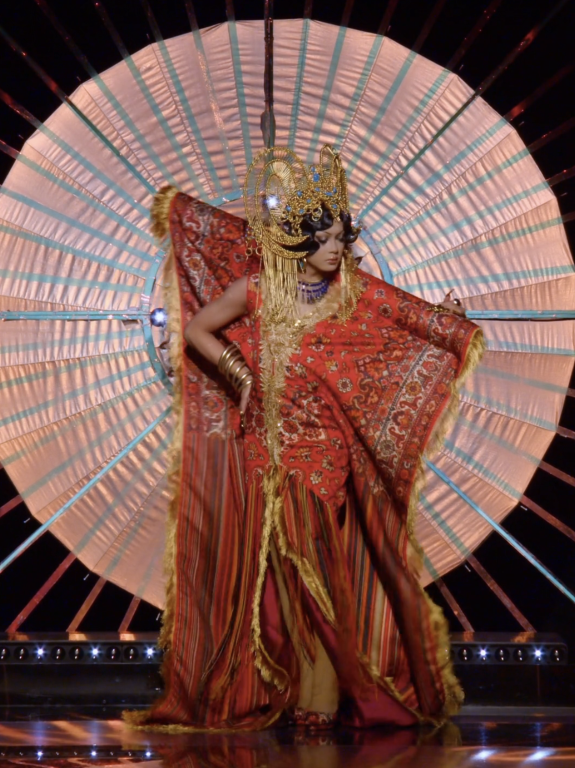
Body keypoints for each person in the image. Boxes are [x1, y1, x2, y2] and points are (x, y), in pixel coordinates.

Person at [125, 145, 484, 733]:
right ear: (301, 242)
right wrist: (241, 376)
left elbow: (406, 318)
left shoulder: (352, 291)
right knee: (277, 578)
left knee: (311, 568)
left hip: (324, 454)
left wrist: (446, 322)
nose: (339, 249)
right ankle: (300, 693)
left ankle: (322, 700)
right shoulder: (259, 289)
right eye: (329, 239)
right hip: (264, 447)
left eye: (343, 238)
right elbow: (197, 330)